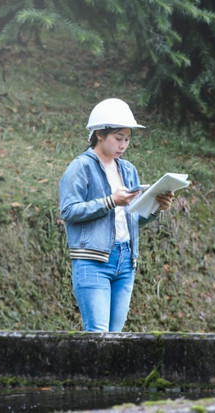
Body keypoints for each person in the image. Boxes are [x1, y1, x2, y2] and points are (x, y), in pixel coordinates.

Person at [59, 98, 174, 332]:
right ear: (100, 133)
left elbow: (131, 217)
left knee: (116, 338)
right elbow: (68, 211)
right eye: (118, 138)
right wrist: (111, 201)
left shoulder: (128, 169)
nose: (123, 145)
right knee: (98, 336)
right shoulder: (81, 167)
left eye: (128, 139)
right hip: (92, 261)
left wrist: (156, 208)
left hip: (126, 260)